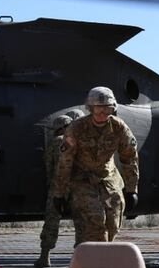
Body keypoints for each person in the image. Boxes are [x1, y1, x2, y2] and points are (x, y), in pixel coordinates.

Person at [52, 87, 139, 245]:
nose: (102, 116)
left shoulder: (119, 128)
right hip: (82, 178)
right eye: (98, 111)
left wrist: (132, 189)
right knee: (94, 219)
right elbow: (65, 162)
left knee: (113, 220)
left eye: (107, 111)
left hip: (108, 176)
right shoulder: (76, 129)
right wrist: (59, 193)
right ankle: (89, 259)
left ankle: (104, 255)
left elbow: (129, 157)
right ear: (91, 109)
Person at [34, 110, 83, 268]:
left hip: (57, 186)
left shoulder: (55, 142)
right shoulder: (78, 141)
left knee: (51, 221)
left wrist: (51, 184)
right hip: (76, 186)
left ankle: (45, 256)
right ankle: (81, 258)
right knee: (80, 222)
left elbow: (49, 165)